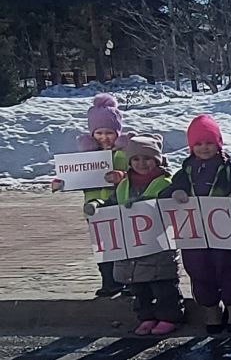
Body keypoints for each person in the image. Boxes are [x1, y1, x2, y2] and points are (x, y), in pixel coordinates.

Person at [83, 135, 183, 336]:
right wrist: (97, 205)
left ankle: (169, 317)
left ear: (157, 160)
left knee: (163, 286)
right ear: (129, 162)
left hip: (158, 247)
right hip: (131, 247)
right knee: (138, 287)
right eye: (136, 159)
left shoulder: (165, 183)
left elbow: (173, 206)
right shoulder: (123, 185)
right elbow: (112, 203)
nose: (142, 163)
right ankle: (146, 317)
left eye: (147, 158)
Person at [167, 115, 231, 333]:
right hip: (193, 233)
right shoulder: (185, 170)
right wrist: (177, 192)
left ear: (218, 143)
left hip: (224, 231)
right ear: (191, 146)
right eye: (198, 144)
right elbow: (169, 191)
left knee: (229, 268)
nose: (204, 148)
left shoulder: (229, 169)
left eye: (209, 142)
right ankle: (211, 307)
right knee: (198, 270)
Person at [54, 93, 131, 297]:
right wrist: (62, 182)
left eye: (109, 132)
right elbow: (76, 178)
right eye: (99, 133)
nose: (104, 137)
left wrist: (122, 175)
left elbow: (139, 174)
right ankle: (109, 282)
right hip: (94, 209)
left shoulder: (124, 153)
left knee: (125, 245)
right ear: (92, 134)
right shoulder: (86, 158)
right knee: (104, 247)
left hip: (121, 206)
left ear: (117, 132)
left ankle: (130, 281)